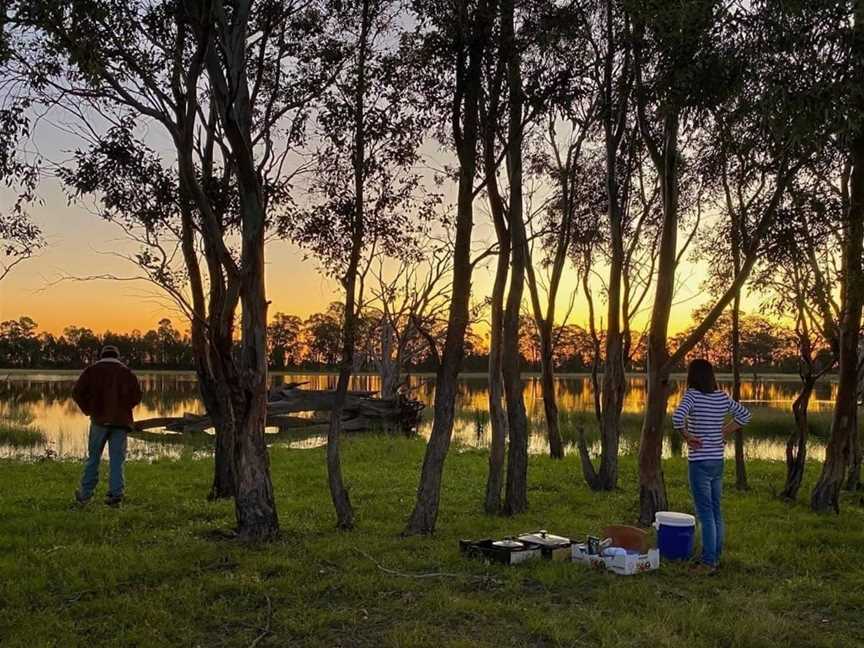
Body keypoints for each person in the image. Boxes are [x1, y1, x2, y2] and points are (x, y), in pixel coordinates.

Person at [672, 358, 751, 573]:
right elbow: (745, 415)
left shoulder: (692, 396)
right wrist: (724, 431)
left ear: (692, 376)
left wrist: (687, 436)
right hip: (717, 460)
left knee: (705, 514)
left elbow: (677, 418)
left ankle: (707, 563)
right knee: (716, 511)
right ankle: (715, 556)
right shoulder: (721, 397)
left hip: (699, 461)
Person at [72, 345, 142, 506]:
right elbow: (137, 395)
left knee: (93, 458)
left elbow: (76, 393)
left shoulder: (91, 371)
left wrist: (89, 410)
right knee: (117, 460)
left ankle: (85, 495)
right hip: (121, 422)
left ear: (101, 356)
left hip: (99, 421)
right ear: (117, 357)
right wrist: (125, 409)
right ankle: (115, 495)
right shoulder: (127, 373)